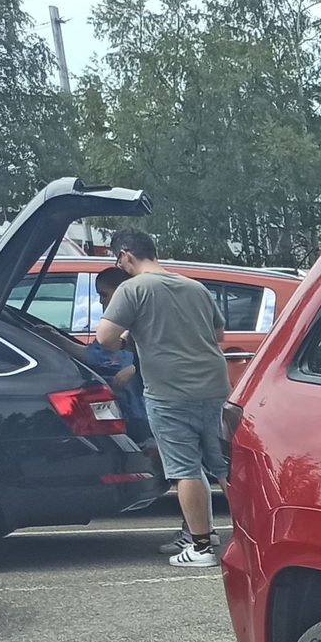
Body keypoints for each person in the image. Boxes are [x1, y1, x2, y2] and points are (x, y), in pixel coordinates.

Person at [95, 230, 230, 567]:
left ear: (126, 255)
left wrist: (131, 341)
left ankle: (201, 548)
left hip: (170, 392)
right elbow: (218, 335)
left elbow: (105, 337)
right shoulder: (194, 287)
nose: (119, 265)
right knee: (223, 466)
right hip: (214, 387)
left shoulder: (133, 288)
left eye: (118, 260)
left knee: (185, 469)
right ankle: (251, 537)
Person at [81, 265, 148, 438]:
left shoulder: (143, 321)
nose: (101, 302)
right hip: (134, 411)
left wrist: (135, 368)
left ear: (121, 293)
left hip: (148, 411)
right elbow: (95, 354)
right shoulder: (116, 327)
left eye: (104, 294)